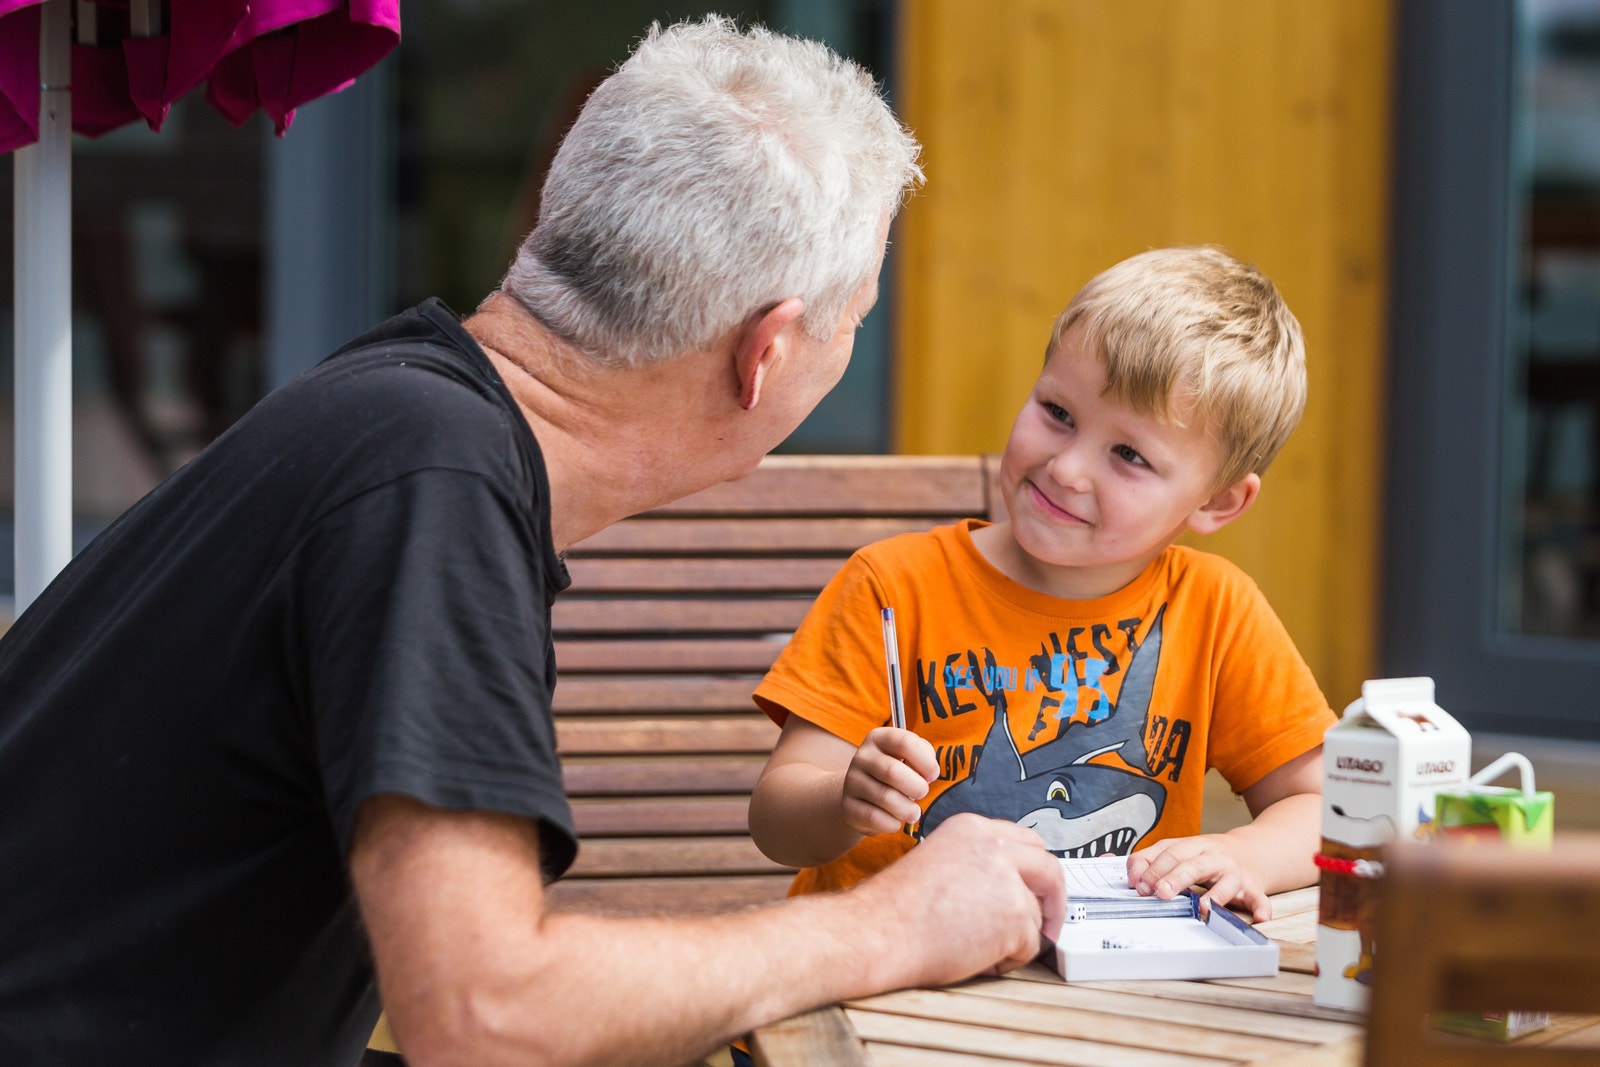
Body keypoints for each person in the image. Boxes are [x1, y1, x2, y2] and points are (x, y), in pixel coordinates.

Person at [0, 18, 1065, 1067]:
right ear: (767, 351)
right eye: (855, 320)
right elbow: (485, 1016)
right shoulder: (434, 487)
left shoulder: (399, 410)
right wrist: (891, 924)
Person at [748, 246, 1335, 924]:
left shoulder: (1217, 609)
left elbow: (1327, 807)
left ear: (1218, 502)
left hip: (1111, 975)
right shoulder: (891, 585)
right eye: (1058, 412)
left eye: (1129, 454)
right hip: (886, 960)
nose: (1066, 468)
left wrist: (1246, 854)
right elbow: (776, 819)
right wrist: (843, 800)